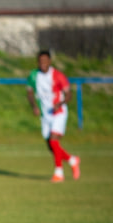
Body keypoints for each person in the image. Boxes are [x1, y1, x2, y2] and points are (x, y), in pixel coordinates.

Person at [26, 50, 80, 183]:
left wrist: (60, 103)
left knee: (54, 140)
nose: (43, 63)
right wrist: (34, 106)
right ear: (38, 62)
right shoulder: (33, 75)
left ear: (50, 61)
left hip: (59, 112)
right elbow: (30, 92)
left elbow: (69, 95)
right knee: (51, 147)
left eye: (45, 61)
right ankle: (72, 160)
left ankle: (59, 173)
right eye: (40, 61)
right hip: (45, 114)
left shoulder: (58, 75)